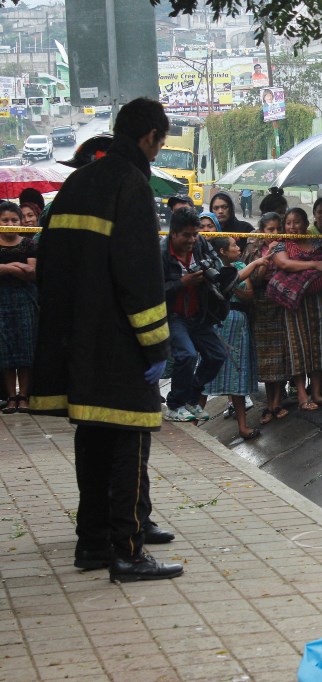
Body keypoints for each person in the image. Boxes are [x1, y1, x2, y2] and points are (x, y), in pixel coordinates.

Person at [30, 97, 183, 581]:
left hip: (79, 342)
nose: (158, 153)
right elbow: (139, 277)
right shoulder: (131, 186)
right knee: (129, 442)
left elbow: (48, 264)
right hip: (122, 345)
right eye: (159, 143)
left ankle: (92, 545)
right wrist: (157, 345)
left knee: (92, 442)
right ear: (149, 138)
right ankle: (129, 552)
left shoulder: (77, 183)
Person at [162, 207, 229, 423]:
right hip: (173, 315)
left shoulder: (200, 244)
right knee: (187, 355)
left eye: (195, 234)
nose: (192, 239)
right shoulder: (160, 253)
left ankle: (191, 398)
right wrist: (182, 283)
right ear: (173, 233)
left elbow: (216, 264)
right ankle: (174, 404)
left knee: (218, 355)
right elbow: (151, 291)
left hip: (199, 314)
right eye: (186, 235)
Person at [271, 207, 322, 411]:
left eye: (297, 222)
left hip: (320, 302)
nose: (292, 227)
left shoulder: (320, 243)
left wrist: (317, 264)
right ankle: (302, 396)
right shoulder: (280, 245)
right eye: (288, 223)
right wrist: (315, 265)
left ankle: (316, 393)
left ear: (306, 224)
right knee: (298, 347)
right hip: (295, 304)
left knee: (319, 346)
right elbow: (285, 264)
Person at [205, 236, 269, 439]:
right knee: (206, 372)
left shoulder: (240, 265)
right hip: (217, 322)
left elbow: (248, 293)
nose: (238, 247)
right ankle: (192, 425)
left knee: (238, 372)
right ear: (223, 251)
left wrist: (229, 286)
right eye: (233, 245)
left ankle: (243, 426)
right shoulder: (210, 267)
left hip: (238, 322)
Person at [247, 212, 290, 424]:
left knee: (281, 354)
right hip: (262, 305)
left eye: (277, 229)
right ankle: (268, 403)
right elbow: (253, 279)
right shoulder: (254, 248)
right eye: (269, 230)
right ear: (262, 230)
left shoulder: (288, 246)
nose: (274, 233)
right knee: (266, 358)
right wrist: (267, 256)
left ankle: (277, 402)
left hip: (281, 304)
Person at [0, 202, 36, 413]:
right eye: (5, 220)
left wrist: (5, 269)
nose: (10, 223)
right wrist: (15, 267)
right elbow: (25, 269)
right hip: (2, 300)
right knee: (5, 350)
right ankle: (10, 397)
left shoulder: (29, 245)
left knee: (25, 348)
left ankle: (24, 396)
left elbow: (32, 272)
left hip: (25, 299)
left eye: (14, 219)